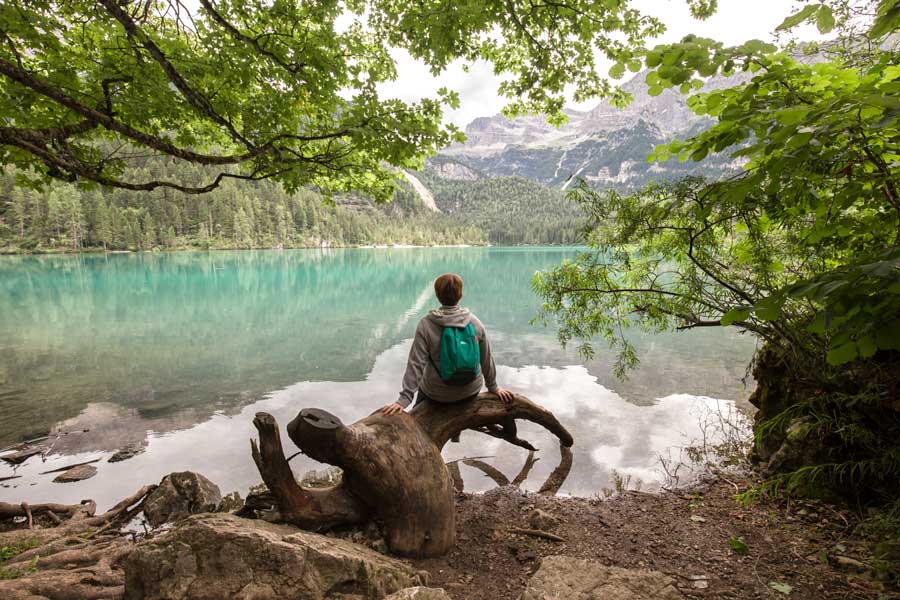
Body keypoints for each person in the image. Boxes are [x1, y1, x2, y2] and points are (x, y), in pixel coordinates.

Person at [380, 273, 514, 416]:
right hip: (470, 392)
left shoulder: (426, 325)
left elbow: (416, 364)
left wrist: (404, 400)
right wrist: (494, 387)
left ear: (437, 295)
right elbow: (486, 359)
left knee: (416, 412)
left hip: (437, 394)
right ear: (460, 295)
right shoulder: (475, 323)